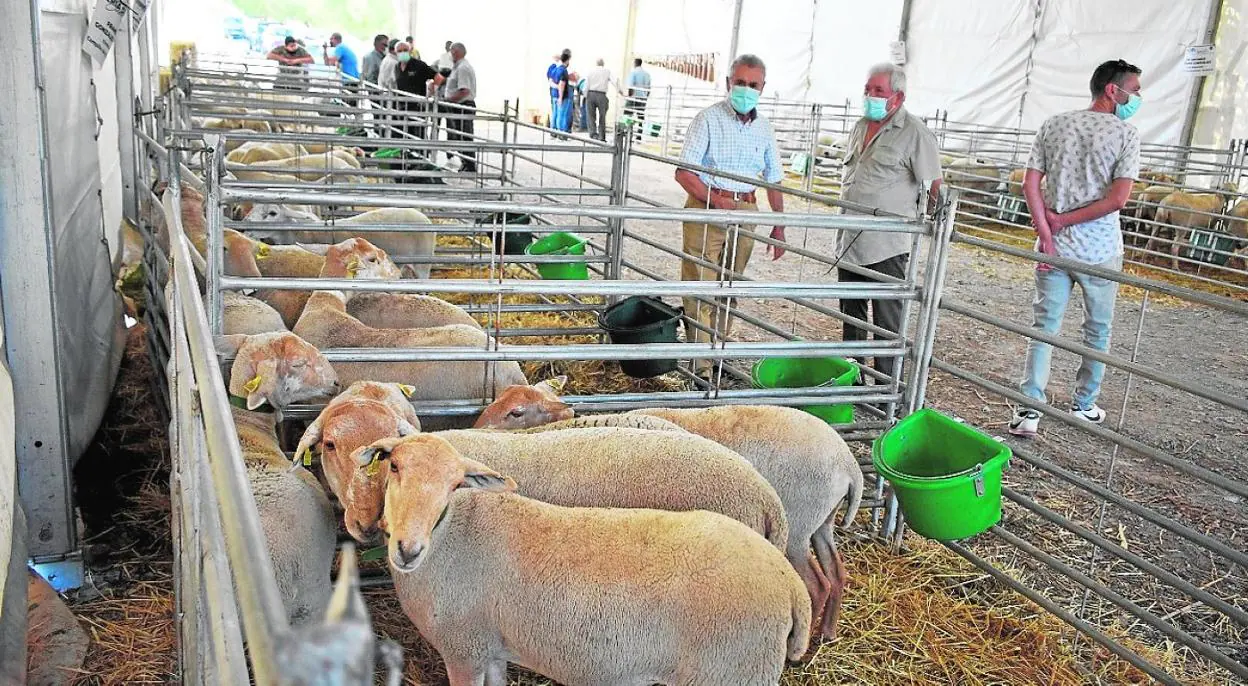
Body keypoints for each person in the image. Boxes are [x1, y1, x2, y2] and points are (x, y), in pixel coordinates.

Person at [1008, 59, 1142, 437]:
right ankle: (1084, 405)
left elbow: (1030, 184)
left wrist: (1048, 233)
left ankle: (1029, 411)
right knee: (1097, 330)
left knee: (1044, 329)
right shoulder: (1126, 134)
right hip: (1099, 250)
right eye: (1134, 89)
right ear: (1113, 90)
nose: (1137, 97)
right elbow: (1119, 199)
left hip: (1052, 249)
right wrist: (1065, 221)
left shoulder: (1054, 125)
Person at [674, 54, 786, 378]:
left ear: (762, 88)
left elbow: (773, 178)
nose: (746, 90)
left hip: (746, 208)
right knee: (701, 285)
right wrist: (715, 200)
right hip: (707, 206)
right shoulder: (707, 119)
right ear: (728, 83)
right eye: (740, 83)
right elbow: (684, 173)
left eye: (753, 85)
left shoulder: (764, 128)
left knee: (728, 286)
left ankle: (717, 353)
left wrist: (779, 224)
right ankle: (701, 367)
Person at [837, 64, 943, 385]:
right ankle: (854, 378)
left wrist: (933, 225)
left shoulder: (915, 134)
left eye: (878, 91)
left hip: (886, 244)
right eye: (868, 89)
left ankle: (886, 388)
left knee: (886, 319)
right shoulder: (859, 127)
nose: (870, 96)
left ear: (898, 96)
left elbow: (934, 186)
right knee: (850, 313)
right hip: (851, 238)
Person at [444, 42, 478, 172]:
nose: (450, 54)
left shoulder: (463, 68)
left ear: (456, 52)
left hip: (463, 105)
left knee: (464, 136)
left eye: (451, 52)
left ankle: (469, 164)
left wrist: (448, 100)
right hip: (458, 105)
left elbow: (464, 91)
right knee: (458, 135)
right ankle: (465, 162)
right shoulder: (457, 67)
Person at [394, 42, 437, 140]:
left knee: (418, 134)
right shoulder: (397, 66)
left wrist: (431, 91)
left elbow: (436, 76)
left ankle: (421, 153)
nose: (402, 53)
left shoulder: (419, 65)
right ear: (396, 53)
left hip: (417, 107)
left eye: (405, 50)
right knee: (404, 133)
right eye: (399, 51)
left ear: (410, 51)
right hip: (402, 106)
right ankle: (407, 153)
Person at [584, 58, 616, 141]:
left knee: (591, 115)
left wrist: (585, 95)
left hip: (591, 94)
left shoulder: (590, 71)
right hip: (602, 95)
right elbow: (614, 81)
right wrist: (620, 91)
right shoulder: (607, 71)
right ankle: (602, 136)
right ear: (603, 64)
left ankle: (593, 134)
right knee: (602, 115)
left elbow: (586, 84)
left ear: (596, 63)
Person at [624, 57, 651, 142]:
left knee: (628, 115)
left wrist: (629, 96)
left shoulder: (633, 73)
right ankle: (639, 135)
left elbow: (631, 86)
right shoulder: (647, 74)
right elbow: (649, 88)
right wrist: (646, 97)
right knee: (640, 116)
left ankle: (628, 133)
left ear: (635, 63)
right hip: (642, 98)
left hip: (633, 97)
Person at [551, 49, 573, 134]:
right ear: (567, 60)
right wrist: (560, 97)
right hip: (563, 96)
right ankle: (562, 133)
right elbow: (562, 84)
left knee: (556, 115)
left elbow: (552, 81)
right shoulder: (564, 70)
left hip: (555, 94)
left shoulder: (556, 69)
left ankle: (554, 132)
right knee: (562, 115)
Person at [546, 53, 562, 125]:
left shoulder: (553, 67)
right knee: (556, 111)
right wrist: (558, 86)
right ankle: (554, 128)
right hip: (556, 91)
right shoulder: (554, 67)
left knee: (555, 110)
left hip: (554, 91)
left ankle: (553, 128)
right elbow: (550, 81)